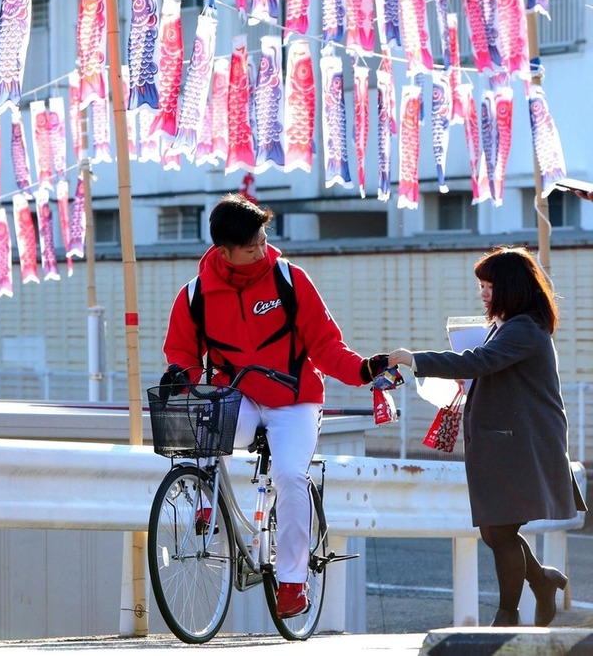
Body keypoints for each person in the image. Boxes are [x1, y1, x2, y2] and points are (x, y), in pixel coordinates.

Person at [161, 192, 388, 619]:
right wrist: (183, 376)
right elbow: (182, 353)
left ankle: (292, 583)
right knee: (206, 431)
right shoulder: (195, 296)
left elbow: (325, 344)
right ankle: (205, 505)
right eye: (252, 248)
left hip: (295, 399)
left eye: (264, 240)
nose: (263, 251)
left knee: (288, 475)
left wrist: (362, 370)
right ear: (223, 253)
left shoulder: (289, 278)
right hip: (239, 395)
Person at [388, 245, 586, 628]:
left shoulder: (524, 328)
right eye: (481, 285)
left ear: (511, 287)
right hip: (508, 439)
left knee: (502, 529)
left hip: (522, 442)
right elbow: (486, 364)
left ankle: (507, 617)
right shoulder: (511, 324)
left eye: (489, 285)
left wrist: (415, 358)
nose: (482, 292)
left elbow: (479, 362)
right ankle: (542, 582)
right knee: (496, 530)